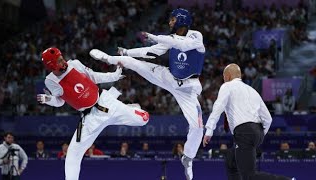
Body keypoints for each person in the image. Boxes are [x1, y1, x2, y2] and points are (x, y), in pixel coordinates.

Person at [90, 8, 205, 180]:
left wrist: (153, 36)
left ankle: (187, 158)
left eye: (173, 19)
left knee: (197, 129)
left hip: (187, 90)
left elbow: (183, 44)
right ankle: (108, 58)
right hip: (168, 77)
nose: (170, 22)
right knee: (132, 62)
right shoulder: (169, 39)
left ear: (182, 20)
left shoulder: (196, 37)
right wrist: (128, 52)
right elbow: (151, 52)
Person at [37, 47, 149, 180]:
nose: (64, 61)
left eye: (62, 58)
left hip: (106, 103)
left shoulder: (75, 64)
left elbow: (94, 76)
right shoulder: (50, 81)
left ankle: (129, 108)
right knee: (72, 155)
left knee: (144, 119)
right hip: (90, 118)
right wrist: (48, 99)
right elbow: (60, 101)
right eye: (60, 60)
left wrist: (114, 76)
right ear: (51, 65)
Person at [202, 64, 293, 180]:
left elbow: (218, 107)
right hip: (256, 132)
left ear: (228, 76)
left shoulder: (227, 86)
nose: (224, 80)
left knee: (249, 176)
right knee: (231, 160)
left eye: (224, 77)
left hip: (244, 133)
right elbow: (268, 118)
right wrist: (258, 134)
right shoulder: (252, 90)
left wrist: (209, 130)